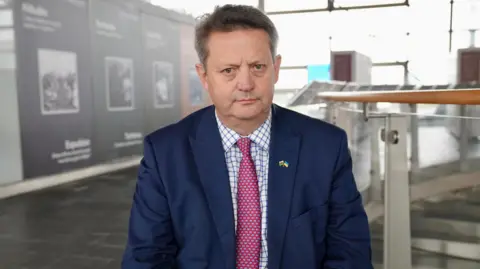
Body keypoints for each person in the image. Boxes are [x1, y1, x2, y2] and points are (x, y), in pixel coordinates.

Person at [122, 4, 372, 269]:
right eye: (228, 70)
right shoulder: (165, 154)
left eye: (257, 67)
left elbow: (350, 254)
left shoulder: (325, 147)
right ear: (204, 76)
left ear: (275, 69)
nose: (245, 83)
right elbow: (146, 258)